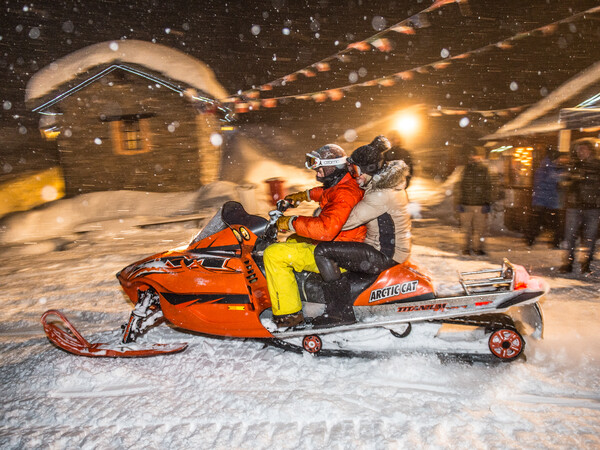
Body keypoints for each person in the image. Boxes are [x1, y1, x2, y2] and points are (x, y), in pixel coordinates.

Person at [263, 143, 366, 328]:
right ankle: (305, 294)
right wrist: (302, 196)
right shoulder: (343, 183)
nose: (317, 173)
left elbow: (325, 230)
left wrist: (289, 222)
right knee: (293, 240)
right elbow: (326, 194)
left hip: (338, 254)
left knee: (274, 254)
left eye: (320, 169)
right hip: (340, 244)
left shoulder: (345, 193)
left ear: (334, 167)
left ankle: (288, 317)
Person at [312, 135, 412, 325]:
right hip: (383, 248)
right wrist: (314, 195)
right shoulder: (379, 184)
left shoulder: (381, 195)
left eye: (355, 170)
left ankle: (340, 313)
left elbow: (344, 221)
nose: (353, 175)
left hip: (385, 255)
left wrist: (316, 218)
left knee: (323, 251)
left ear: (370, 169)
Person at [560, 139, 600, 274]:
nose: (580, 152)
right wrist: (569, 180)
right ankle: (569, 261)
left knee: (590, 237)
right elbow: (564, 183)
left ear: (590, 150)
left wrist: (584, 178)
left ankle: (587, 262)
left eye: (583, 149)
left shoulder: (597, 165)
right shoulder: (574, 165)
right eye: (578, 150)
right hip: (574, 206)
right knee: (570, 235)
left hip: (592, 207)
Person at [455, 145, 492, 256]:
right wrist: (459, 202)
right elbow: (460, 187)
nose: (473, 157)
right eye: (472, 155)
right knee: (467, 228)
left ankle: (477, 248)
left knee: (478, 229)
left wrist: (487, 202)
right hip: (467, 204)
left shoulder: (483, 169)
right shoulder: (466, 169)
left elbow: (488, 187)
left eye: (475, 155)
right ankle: (466, 248)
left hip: (479, 205)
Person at [526, 145, 563, 248]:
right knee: (547, 223)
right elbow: (544, 183)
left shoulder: (548, 167)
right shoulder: (546, 168)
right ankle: (532, 240)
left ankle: (532, 240)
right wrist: (558, 177)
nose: (559, 160)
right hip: (544, 200)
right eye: (558, 158)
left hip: (545, 200)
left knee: (542, 222)